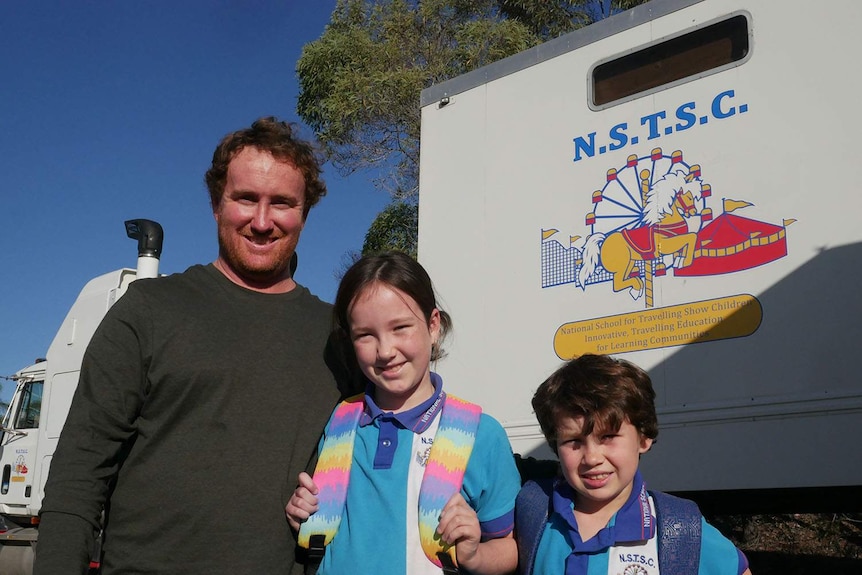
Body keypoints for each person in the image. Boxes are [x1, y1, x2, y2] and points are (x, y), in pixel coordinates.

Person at [34, 117, 354, 575]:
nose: (262, 221)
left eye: (282, 203)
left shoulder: (339, 335)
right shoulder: (148, 310)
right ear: (216, 204)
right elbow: (79, 474)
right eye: (246, 199)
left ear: (304, 213)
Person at [285, 251, 521, 575]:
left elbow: (508, 547)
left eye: (400, 328)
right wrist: (304, 514)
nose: (385, 351)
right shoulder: (339, 422)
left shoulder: (482, 433)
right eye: (365, 335)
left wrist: (474, 555)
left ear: (433, 325)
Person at [519, 354, 752, 575]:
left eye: (607, 437)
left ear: (643, 438)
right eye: (573, 441)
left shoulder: (679, 528)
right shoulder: (535, 511)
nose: (591, 457)